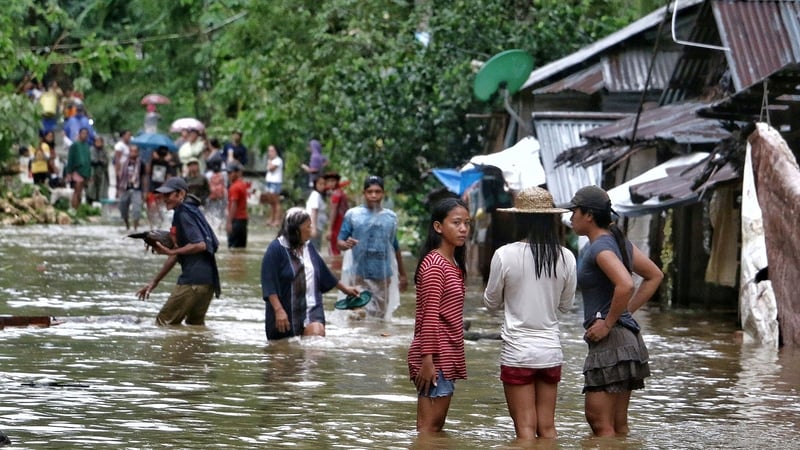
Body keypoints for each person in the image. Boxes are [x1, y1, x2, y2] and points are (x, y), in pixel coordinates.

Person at [564, 185, 663, 437]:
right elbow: (654, 276)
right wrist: (621, 313)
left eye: (574, 211)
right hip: (626, 339)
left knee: (599, 422)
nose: (570, 217)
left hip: (612, 341)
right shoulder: (619, 242)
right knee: (618, 426)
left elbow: (626, 284)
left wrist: (609, 322)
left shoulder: (599, 247)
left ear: (588, 215)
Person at [482, 187, 577, 440]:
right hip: (550, 351)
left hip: (518, 351)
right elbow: (566, 306)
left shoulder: (504, 255)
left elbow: (490, 303)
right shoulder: (566, 256)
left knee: (525, 432)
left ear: (519, 219)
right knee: (547, 428)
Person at [407, 197, 470, 433]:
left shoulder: (452, 262)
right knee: (428, 430)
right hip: (434, 357)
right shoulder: (435, 264)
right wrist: (427, 361)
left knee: (434, 428)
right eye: (456, 223)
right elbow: (430, 316)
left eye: (466, 223)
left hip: (444, 354)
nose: (463, 228)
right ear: (438, 227)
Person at [260, 207, 359, 341]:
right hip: (285, 311)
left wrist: (345, 289)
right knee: (283, 352)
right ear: (296, 230)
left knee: (315, 342)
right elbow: (269, 283)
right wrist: (278, 310)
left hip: (312, 307)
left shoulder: (308, 247)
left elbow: (323, 272)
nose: (312, 231)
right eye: (308, 227)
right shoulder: (276, 249)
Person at [136, 177, 220, 326]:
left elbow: (200, 245)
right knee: (195, 328)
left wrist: (170, 252)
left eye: (168, 195)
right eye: (163, 195)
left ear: (181, 194)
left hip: (192, 282)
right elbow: (177, 253)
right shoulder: (192, 210)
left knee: (163, 323)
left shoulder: (182, 213)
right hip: (208, 282)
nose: (164, 199)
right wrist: (154, 282)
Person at [337, 176, 408, 320]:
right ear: (364, 193)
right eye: (370, 192)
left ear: (383, 193)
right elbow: (340, 241)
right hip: (358, 274)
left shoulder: (391, 218)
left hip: (382, 276)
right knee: (357, 314)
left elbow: (394, 246)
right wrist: (345, 245)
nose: (374, 195)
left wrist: (403, 274)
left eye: (378, 191)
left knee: (378, 318)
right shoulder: (353, 215)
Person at [118, 145, 148, 231]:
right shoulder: (124, 163)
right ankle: (127, 225)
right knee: (123, 208)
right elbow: (120, 176)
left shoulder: (141, 163)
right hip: (125, 188)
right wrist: (118, 189)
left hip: (137, 189)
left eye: (135, 151)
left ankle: (135, 228)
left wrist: (145, 191)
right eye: (131, 151)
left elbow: (144, 177)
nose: (133, 153)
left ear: (138, 153)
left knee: (137, 210)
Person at [65, 128, 91, 210]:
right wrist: (69, 172)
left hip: (85, 171)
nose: (85, 135)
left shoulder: (87, 146)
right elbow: (70, 159)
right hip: (77, 170)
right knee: (77, 191)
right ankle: (74, 209)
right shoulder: (75, 145)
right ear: (79, 134)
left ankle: (78, 208)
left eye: (86, 134)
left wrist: (90, 173)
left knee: (81, 192)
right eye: (83, 133)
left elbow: (88, 159)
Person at [324, 171, 348, 256]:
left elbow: (334, 210)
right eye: (328, 181)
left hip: (336, 226)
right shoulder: (341, 192)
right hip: (343, 226)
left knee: (334, 252)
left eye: (333, 181)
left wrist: (329, 229)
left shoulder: (336, 194)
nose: (330, 183)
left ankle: (335, 268)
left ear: (337, 182)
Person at [226, 161, 248, 248]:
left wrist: (229, 222)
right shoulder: (242, 184)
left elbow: (233, 205)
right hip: (243, 221)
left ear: (237, 173)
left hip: (236, 221)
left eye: (230, 172)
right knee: (241, 249)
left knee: (232, 248)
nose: (228, 175)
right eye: (227, 173)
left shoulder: (234, 187)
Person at [305, 176, 328, 251]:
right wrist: (314, 228)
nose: (322, 186)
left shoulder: (317, 195)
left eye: (324, 184)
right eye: (320, 184)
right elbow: (314, 211)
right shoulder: (316, 195)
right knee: (314, 250)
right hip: (314, 227)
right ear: (315, 184)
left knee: (315, 249)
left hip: (317, 227)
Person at [263, 144, 283, 227]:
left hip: (275, 182)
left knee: (276, 202)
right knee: (271, 202)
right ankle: (271, 218)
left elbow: (271, 169)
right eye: (269, 151)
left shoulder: (278, 160)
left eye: (272, 151)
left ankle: (277, 220)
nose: (270, 153)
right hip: (269, 181)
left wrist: (270, 162)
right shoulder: (270, 160)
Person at [86, 135, 109, 204]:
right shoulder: (91, 149)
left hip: (102, 172)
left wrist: (101, 161)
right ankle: (90, 202)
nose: (98, 143)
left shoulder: (104, 150)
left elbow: (106, 160)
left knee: (101, 188)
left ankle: (99, 202)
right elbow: (91, 160)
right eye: (97, 141)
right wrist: (98, 161)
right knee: (91, 188)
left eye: (100, 141)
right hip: (93, 171)